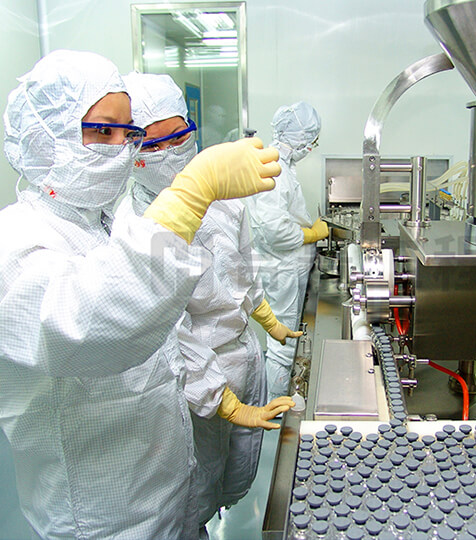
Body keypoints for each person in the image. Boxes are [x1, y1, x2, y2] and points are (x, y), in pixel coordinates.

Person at [0, 50, 285, 539]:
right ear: (44, 136)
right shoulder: (15, 240)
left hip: (165, 489)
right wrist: (193, 191)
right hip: (104, 518)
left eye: (127, 133)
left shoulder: (105, 226)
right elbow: (92, 323)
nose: (120, 149)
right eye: (102, 131)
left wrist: (223, 399)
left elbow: (167, 336)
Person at [117, 72, 298, 527]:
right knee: (193, 487)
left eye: (178, 137)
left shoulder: (224, 198)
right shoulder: (134, 228)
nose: (167, 153)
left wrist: (268, 320)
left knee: (232, 474)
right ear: (130, 148)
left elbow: (243, 269)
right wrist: (223, 401)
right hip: (192, 381)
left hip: (242, 357)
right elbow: (169, 333)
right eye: (151, 144)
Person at [242, 101, 328, 401]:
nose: (311, 148)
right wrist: (311, 234)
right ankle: (277, 411)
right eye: (312, 141)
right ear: (302, 139)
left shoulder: (281, 166)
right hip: (283, 269)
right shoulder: (276, 171)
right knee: (283, 345)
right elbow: (274, 230)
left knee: (284, 340)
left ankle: (279, 401)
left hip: (287, 267)